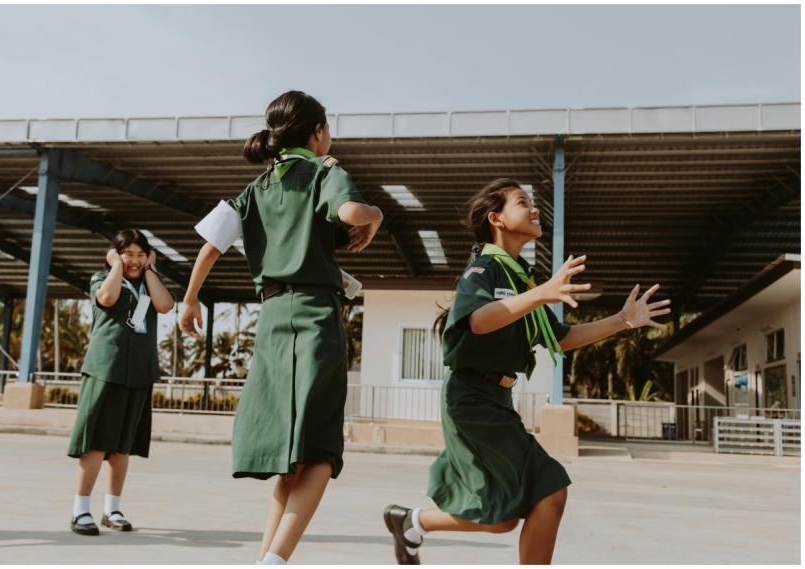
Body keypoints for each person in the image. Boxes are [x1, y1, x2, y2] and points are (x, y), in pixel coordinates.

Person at [383, 178, 670, 564]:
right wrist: (541, 293)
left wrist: (622, 320)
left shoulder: (519, 276)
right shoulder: (484, 269)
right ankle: (412, 523)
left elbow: (559, 338)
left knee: (503, 518)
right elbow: (479, 322)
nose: (534, 209)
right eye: (522, 203)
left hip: (495, 399)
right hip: (470, 399)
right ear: (496, 218)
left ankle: (412, 523)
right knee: (549, 489)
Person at [180, 90, 384, 564]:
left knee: (288, 457)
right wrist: (375, 215)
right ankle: (276, 561)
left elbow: (210, 246)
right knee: (319, 451)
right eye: (327, 128)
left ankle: (264, 560)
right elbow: (352, 213)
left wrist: (190, 300)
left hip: (272, 320)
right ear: (317, 133)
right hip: (314, 315)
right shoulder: (325, 171)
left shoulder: (257, 188)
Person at [68, 229, 175, 536]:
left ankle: (112, 508)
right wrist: (116, 265)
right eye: (128, 254)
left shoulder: (149, 282)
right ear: (115, 254)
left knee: (122, 445)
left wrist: (151, 270)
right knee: (96, 442)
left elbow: (165, 305)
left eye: (141, 255)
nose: (135, 261)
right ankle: (80, 510)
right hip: (106, 369)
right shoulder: (102, 278)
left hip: (139, 372)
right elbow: (108, 298)